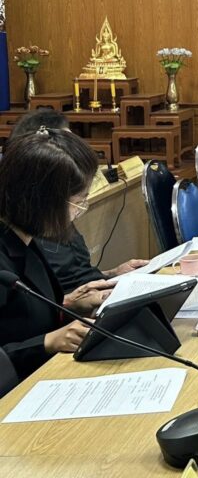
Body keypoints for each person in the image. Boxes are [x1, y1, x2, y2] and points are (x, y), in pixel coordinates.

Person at [0, 129, 112, 381]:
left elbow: (24, 317)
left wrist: (69, 307)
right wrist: (48, 342)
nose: (79, 211)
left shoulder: (27, 238)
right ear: (41, 201)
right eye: (78, 202)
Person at [9, 110, 148, 291]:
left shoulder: (60, 211)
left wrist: (113, 274)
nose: (80, 210)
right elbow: (43, 299)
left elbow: (79, 275)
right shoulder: (29, 235)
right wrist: (70, 303)